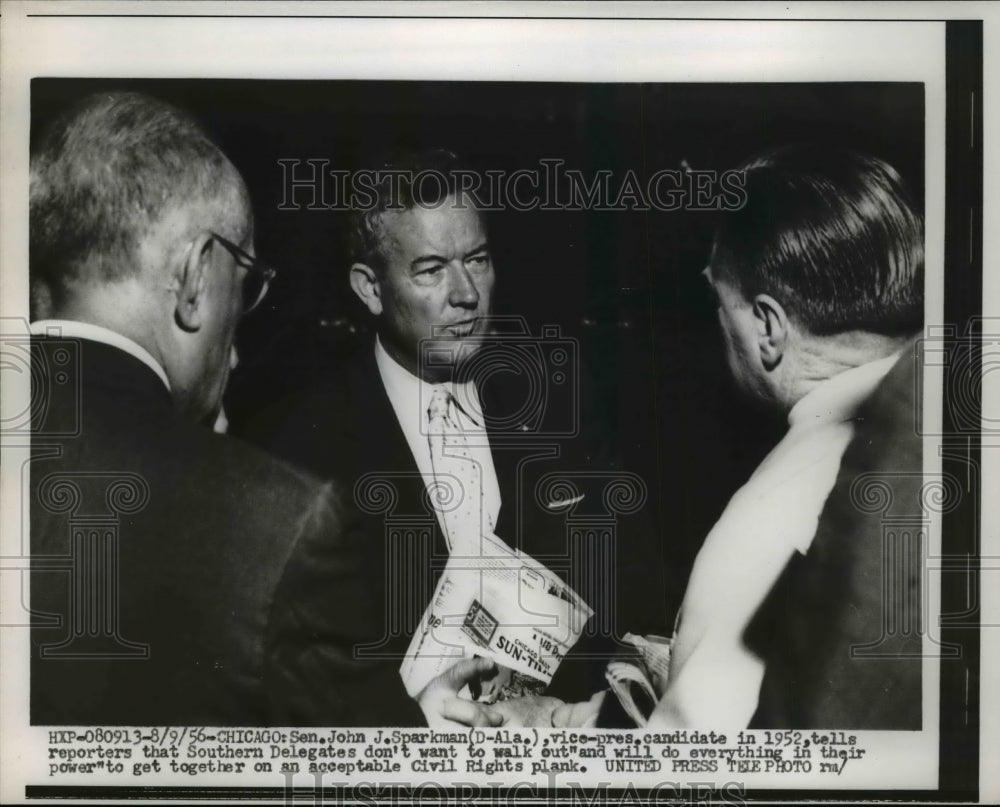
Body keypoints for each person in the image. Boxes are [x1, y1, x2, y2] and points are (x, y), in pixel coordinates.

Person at [28, 92, 500, 727]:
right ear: (196, 276)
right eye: (243, 279)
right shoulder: (276, 510)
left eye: (477, 259)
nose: (465, 292)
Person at [242, 150, 655, 718]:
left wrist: (585, 706)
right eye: (432, 269)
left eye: (478, 260)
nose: (467, 293)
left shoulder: (564, 405)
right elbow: (287, 672)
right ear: (369, 288)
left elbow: (632, 588)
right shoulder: (293, 448)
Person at [647, 145, 924, 729]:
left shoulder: (766, 518)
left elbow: (692, 775)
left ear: (768, 329)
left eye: (719, 302)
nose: (719, 324)